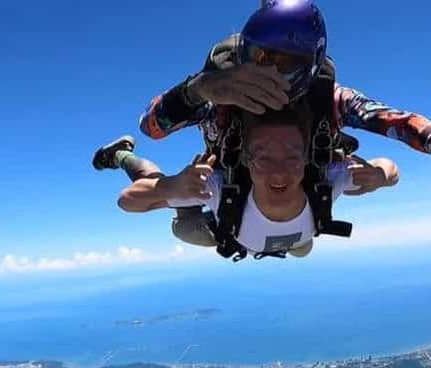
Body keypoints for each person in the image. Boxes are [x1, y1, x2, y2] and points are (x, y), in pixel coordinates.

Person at [128, 0, 431, 247]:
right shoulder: (223, 96)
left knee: (301, 243)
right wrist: (201, 88)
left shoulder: (326, 99)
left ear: (309, 65)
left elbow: (391, 120)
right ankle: (125, 161)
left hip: (288, 205)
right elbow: (151, 127)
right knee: (186, 227)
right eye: (257, 56)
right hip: (226, 201)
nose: (265, 72)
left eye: (282, 62)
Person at [112, 106, 398, 259]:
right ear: (246, 161)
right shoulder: (218, 186)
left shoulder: (325, 179)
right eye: (264, 159)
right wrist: (171, 186)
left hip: (287, 237)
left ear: (307, 159)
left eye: (291, 158)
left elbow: (392, 169)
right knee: (184, 226)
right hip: (227, 230)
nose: (278, 173)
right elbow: (127, 200)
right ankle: (121, 154)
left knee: (304, 247)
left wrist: (380, 175)